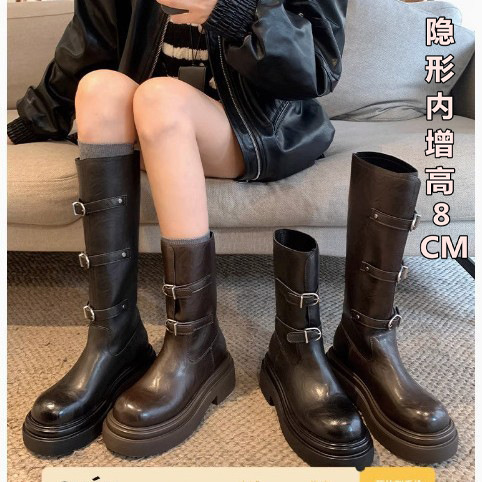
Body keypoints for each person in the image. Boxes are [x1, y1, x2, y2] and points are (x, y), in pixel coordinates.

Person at [9, 0, 374, 465]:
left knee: (160, 98)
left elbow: (317, 66)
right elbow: (87, 47)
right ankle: (113, 337)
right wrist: (29, 123)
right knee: (98, 88)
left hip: (255, 127)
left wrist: (230, 14)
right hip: (150, 123)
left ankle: (195, 342)